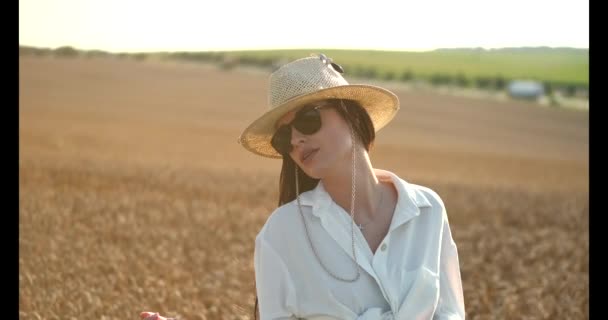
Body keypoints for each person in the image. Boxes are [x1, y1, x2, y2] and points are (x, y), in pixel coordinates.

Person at [140, 53, 465, 320]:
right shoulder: (282, 232)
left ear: (352, 116)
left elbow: (451, 314)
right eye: (284, 138)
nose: (296, 139)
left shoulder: (428, 210)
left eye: (307, 120)